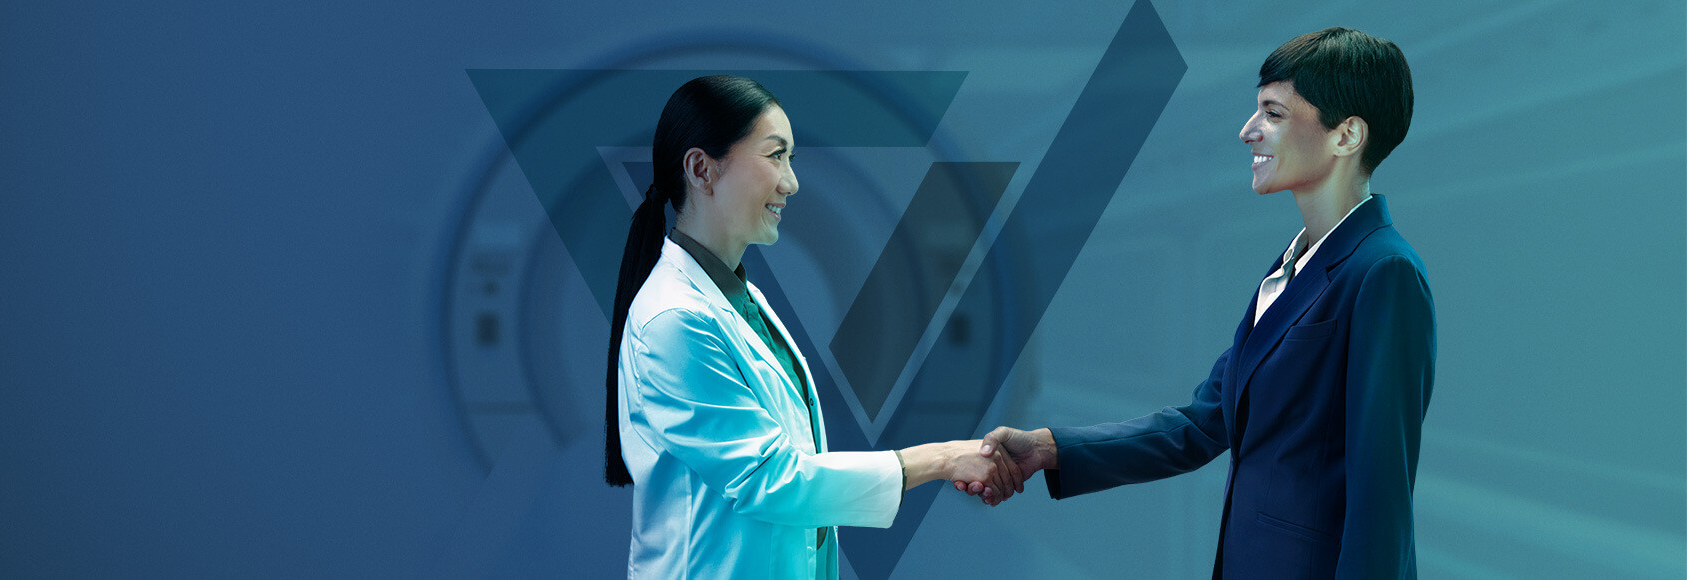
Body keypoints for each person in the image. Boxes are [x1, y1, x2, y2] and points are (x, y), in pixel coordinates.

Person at [961, 27, 1434, 578]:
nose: (1247, 131)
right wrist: (1048, 448)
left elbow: (1382, 496)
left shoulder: (1383, 272)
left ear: (1346, 135)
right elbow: (1203, 423)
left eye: (1273, 114)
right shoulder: (1291, 268)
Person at [605, 75, 1021, 579]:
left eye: (791, 160)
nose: (791, 182)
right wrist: (941, 458)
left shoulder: (739, 299)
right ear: (701, 168)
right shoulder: (674, 320)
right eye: (775, 155)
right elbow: (773, 479)